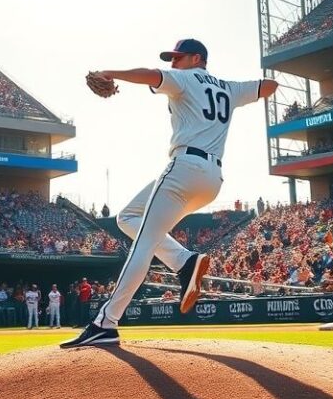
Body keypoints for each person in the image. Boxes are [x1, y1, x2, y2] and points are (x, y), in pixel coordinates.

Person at [62, 38, 277, 347]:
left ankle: (105, 322)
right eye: (172, 59)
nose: (173, 63)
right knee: (128, 218)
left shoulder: (185, 77)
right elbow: (269, 85)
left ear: (196, 58)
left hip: (184, 168)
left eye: (179, 57)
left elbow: (151, 74)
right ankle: (184, 261)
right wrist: (234, 90)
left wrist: (110, 72)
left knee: (143, 244)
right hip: (212, 180)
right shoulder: (228, 88)